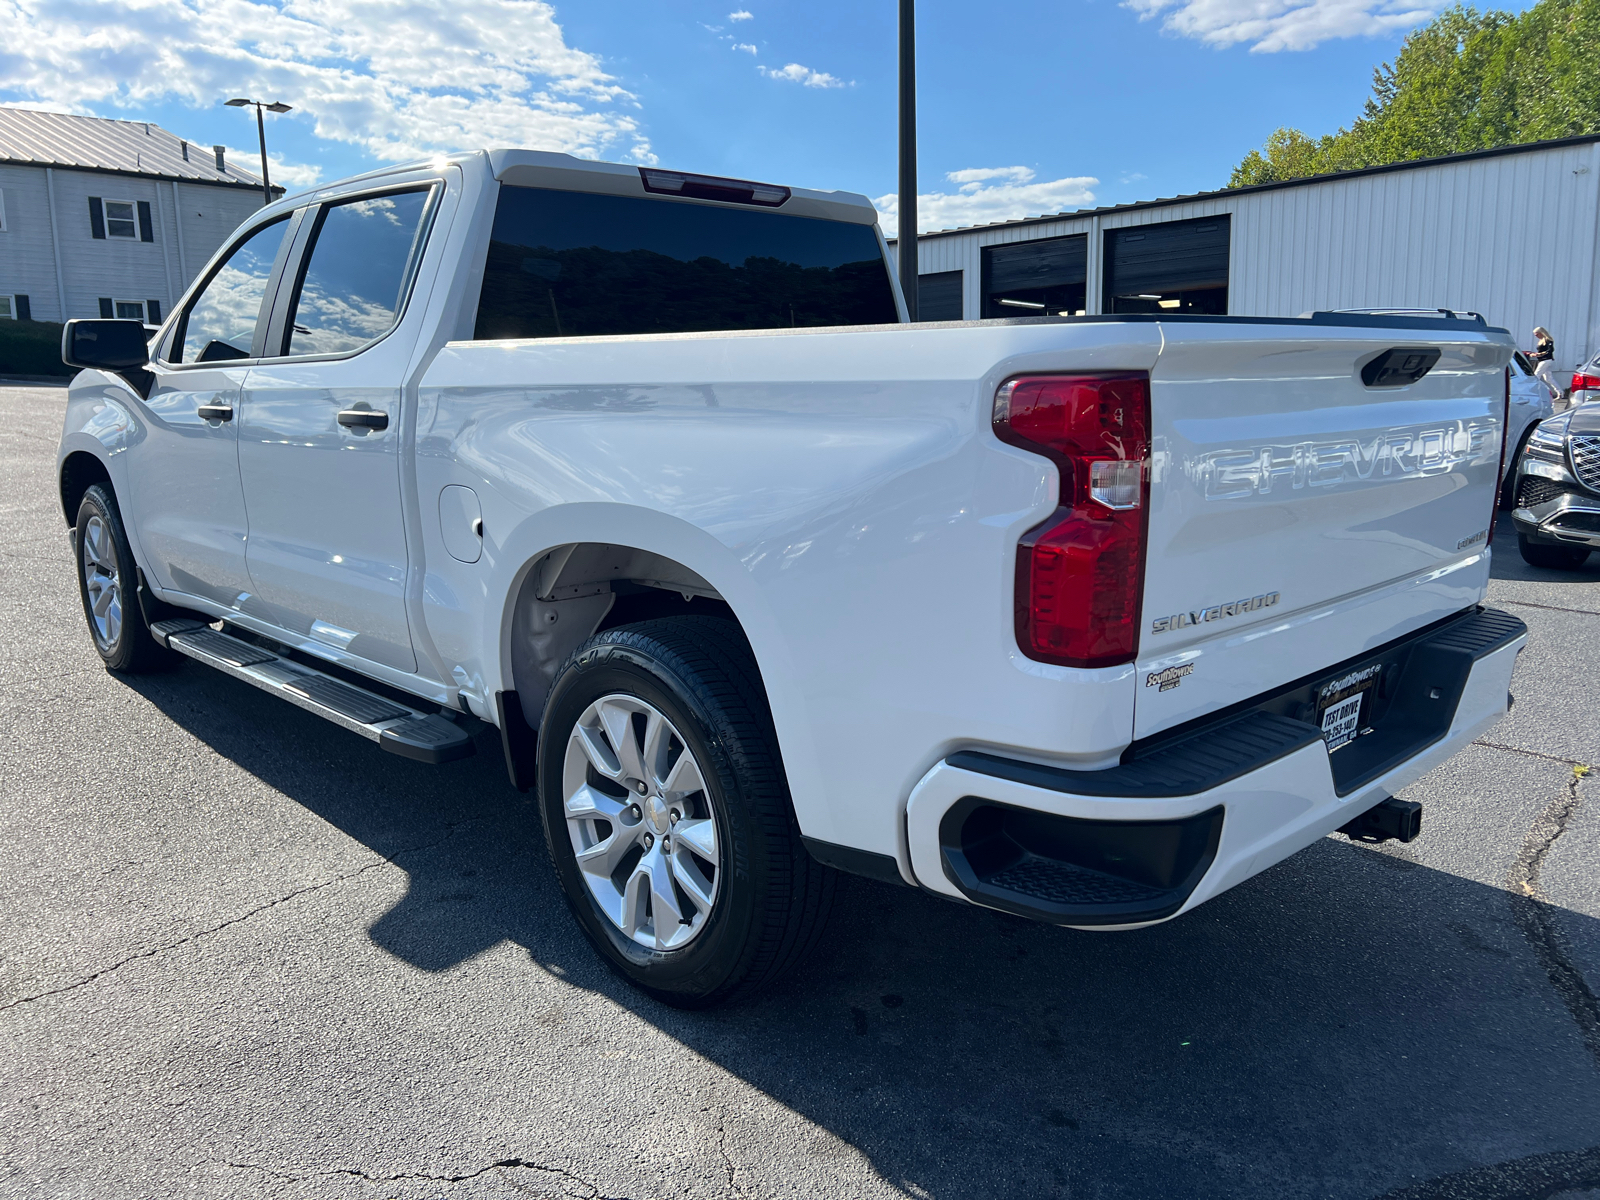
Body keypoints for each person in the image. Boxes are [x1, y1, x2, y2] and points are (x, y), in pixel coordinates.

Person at [1531, 326, 1561, 396]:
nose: (1536, 336)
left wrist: (1538, 354)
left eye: (1537, 334)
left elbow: (1550, 350)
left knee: (1537, 375)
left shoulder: (1548, 340)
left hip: (1546, 360)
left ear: (1541, 333)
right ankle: (1560, 392)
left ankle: (1534, 392)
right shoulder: (1540, 341)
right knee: (1548, 378)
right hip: (1542, 360)